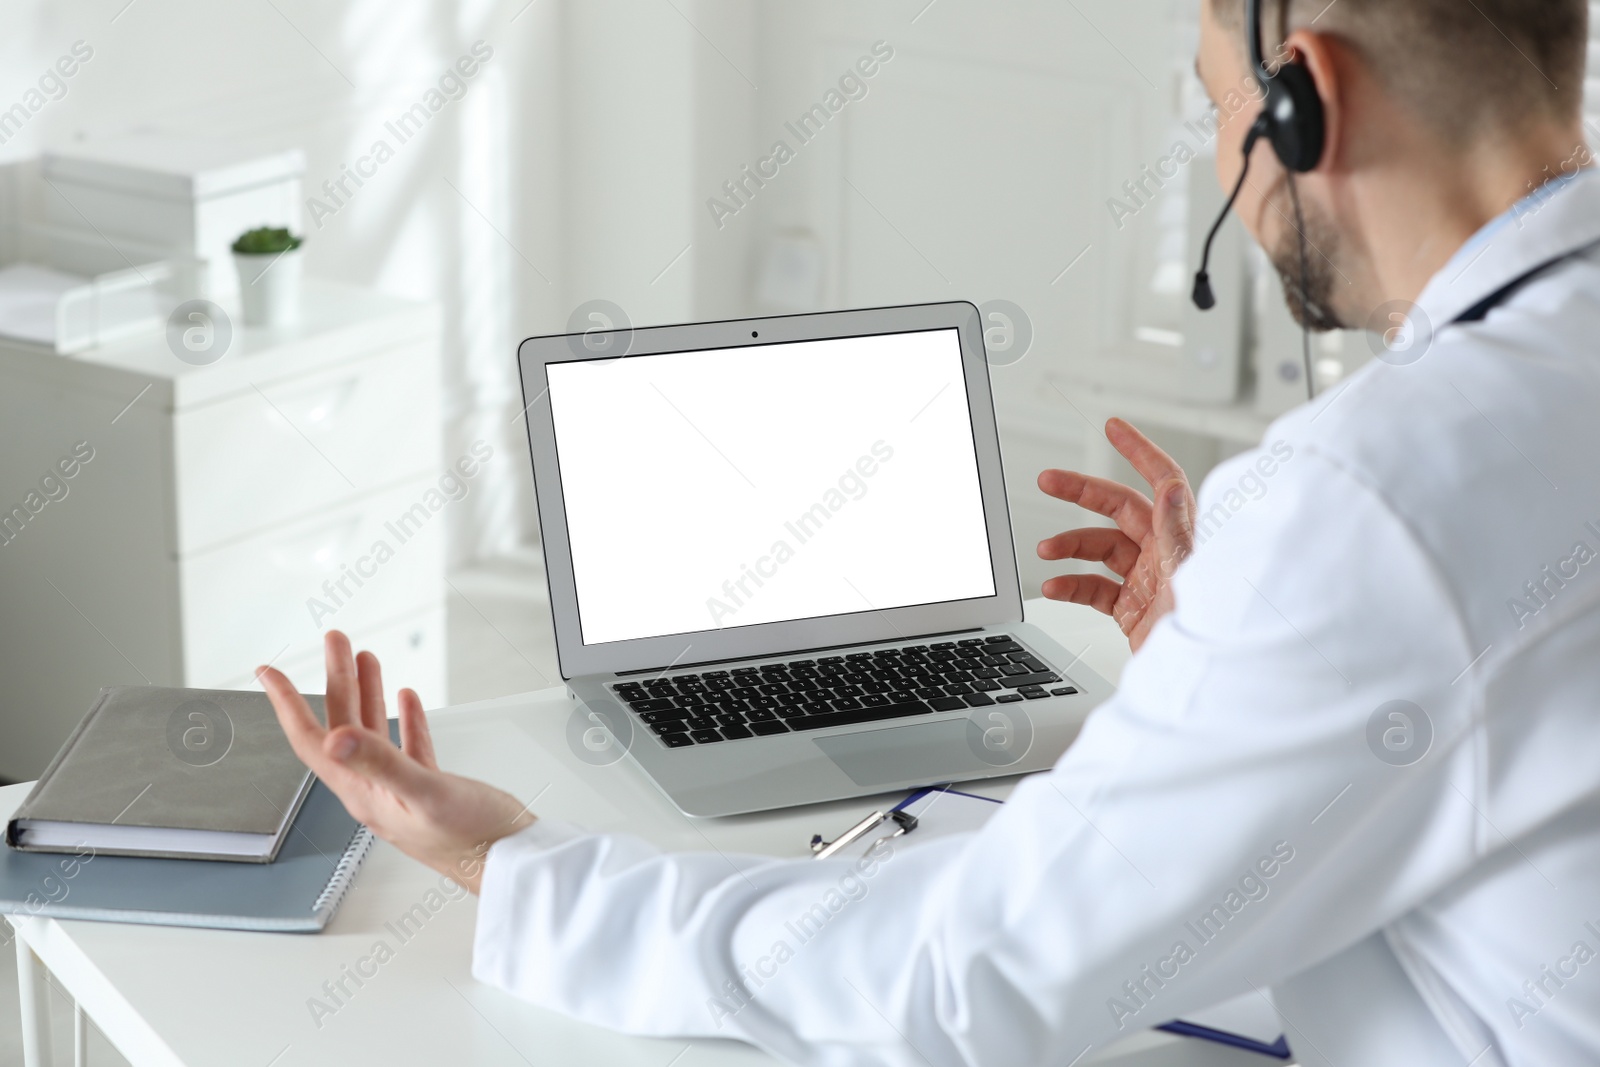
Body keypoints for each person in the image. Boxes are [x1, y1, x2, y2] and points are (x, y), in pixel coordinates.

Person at [260, 0, 1600, 1063]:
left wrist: (511, 861)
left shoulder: (1375, 498)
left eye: (1218, 109)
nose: (1220, 164)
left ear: (1308, 98)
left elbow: (968, 982)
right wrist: (1235, 663)